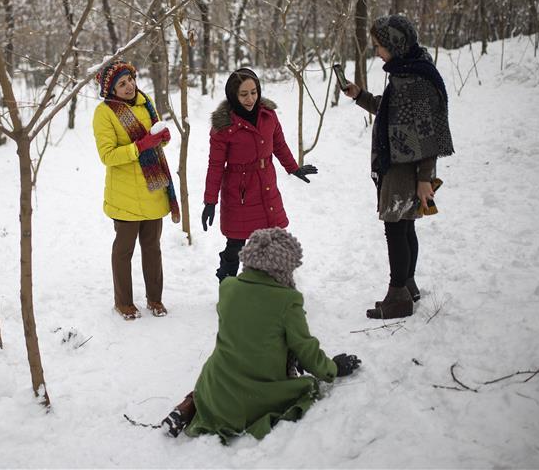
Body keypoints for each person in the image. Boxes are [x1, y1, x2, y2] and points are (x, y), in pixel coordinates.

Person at [160, 228, 361, 442]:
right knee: (306, 388)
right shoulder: (287, 300)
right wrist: (333, 368)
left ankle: (189, 406)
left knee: (216, 380)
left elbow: (247, 331)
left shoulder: (228, 287)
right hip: (253, 394)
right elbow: (305, 349)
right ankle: (210, 408)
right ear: (284, 266)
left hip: (216, 383)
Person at [342, 15, 454, 319]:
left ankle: (397, 297)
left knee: (396, 228)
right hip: (400, 165)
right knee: (405, 226)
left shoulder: (416, 81)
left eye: (379, 46)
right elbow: (392, 110)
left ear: (395, 44)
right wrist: (360, 96)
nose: (377, 51)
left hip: (406, 169)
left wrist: (424, 180)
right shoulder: (407, 72)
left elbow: (427, 135)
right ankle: (408, 285)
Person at [201, 67, 317, 282]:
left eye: (254, 92)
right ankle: (227, 286)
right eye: (243, 94)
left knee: (273, 239)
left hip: (266, 185)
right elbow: (215, 165)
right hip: (239, 192)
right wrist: (210, 201)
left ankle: (271, 286)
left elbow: (279, 145)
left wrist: (293, 168)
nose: (250, 98)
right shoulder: (223, 126)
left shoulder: (267, 115)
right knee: (236, 243)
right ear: (233, 95)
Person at [93, 60, 180, 321]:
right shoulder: (104, 112)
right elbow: (107, 155)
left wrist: (161, 140)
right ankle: (123, 303)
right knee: (124, 251)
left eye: (130, 79)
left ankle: (155, 299)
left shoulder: (145, 102)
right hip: (125, 196)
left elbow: (153, 140)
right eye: (122, 83)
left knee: (152, 248)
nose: (129, 85)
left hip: (154, 189)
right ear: (111, 89)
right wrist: (141, 146)